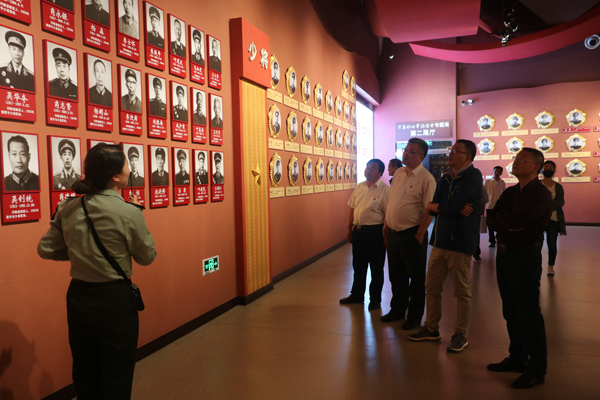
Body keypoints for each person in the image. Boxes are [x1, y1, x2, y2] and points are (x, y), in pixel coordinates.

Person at [38, 143, 156, 400]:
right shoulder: (129, 212)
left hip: (78, 297)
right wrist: (137, 214)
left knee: (84, 369)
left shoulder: (67, 208)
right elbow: (147, 257)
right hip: (114, 300)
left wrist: (81, 253)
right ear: (115, 176)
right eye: (126, 165)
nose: (129, 169)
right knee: (117, 372)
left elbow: (46, 249)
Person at [486, 147, 552, 389]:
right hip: (504, 255)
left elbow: (516, 221)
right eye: (515, 158)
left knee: (528, 312)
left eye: (522, 159)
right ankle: (517, 358)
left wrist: (506, 222)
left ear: (536, 167)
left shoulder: (540, 194)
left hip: (525, 256)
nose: (516, 162)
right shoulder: (511, 192)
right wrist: (508, 224)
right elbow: (491, 217)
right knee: (511, 310)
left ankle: (537, 369)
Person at [408, 140, 482, 351]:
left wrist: (442, 206)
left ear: (468, 157)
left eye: (457, 151)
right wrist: (445, 207)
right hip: (439, 241)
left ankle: (461, 334)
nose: (451, 153)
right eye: (452, 150)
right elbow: (433, 205)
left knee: (461, 292)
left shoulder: (473, 176)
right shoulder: (446, 177)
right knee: (431, 287)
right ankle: (431, 328)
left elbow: (448, 205)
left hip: (460, 242)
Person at [382, 138, 436, 329]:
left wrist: (420, 233)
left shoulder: (426, 178)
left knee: (416, 278)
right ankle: (397, 309)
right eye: (405, 150)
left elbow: (430, 209)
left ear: (421, 156)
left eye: (411, 151)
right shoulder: (398, 173)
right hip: (394, 233)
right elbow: (392, 200)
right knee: (396, 275)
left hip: (412, 234)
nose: (405, 153)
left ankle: (414, 316)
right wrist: (386, 223)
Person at [340, 159, 389, 310]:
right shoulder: (359, 187)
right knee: (358, 265)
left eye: (372, 168)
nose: (368, 170)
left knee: (376, 267)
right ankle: (357, 295)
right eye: (367, 167)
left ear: (380, 172)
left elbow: (388, 214)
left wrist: (385, 235)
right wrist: (349, 228)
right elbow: (352, 208)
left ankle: (375, 299)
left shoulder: (384, 190)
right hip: (359, 231)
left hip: (376, 232)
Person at [541, 161, 566, 276]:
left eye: (550, 167)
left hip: (554, 219)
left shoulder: (558, 187)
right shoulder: (537, 184)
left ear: (554, 170)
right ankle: (536, 265)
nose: (548, 169)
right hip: (538, 219)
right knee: (536, 244)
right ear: (541, 170)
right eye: (546, 167)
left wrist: (546, 209)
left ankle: (550, 266)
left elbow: (560, 202)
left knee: (552, 244)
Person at [484, 166, 506, 247]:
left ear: (501, 173)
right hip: (489, 206)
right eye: (495, 171)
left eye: (498, 171)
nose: (496, 173)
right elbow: (483, 193)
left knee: (500, 224)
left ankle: (500, 240)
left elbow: (504, 193)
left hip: (499, 207)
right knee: (490, 225)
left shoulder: (502, 182)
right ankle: (492, 241)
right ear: (493, 171)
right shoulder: (487, 181)